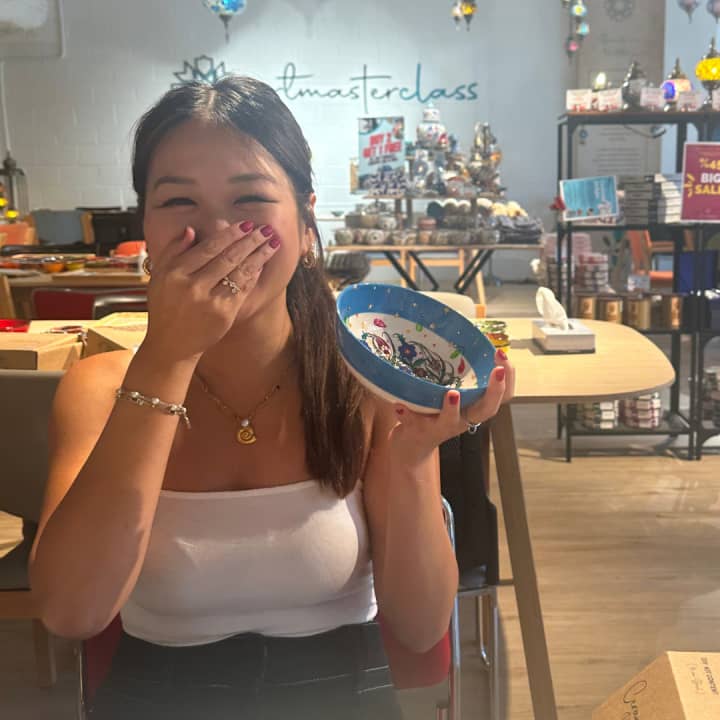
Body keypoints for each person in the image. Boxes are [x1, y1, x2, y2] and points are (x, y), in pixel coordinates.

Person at [29, 76, 514, 720]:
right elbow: (71, 612)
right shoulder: (102, 387)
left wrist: (410, 459)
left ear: (306, 222)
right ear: (144, 224)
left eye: (250, 199)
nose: (217, 232)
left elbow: (422, 628)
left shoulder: (362, 382)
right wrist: (167, 359)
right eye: (178, 201)